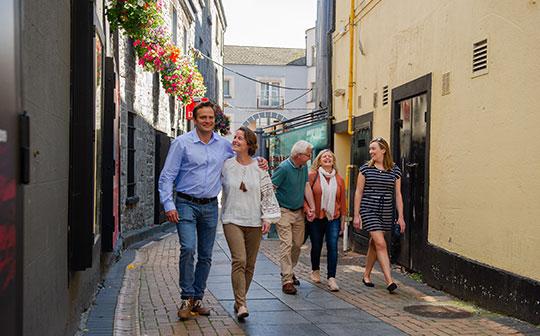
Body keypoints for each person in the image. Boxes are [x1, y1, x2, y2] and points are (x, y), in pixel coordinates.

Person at [158, 101, 266, 320]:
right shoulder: (181, 143)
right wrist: (168, 204)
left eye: (210, 117)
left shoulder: (223, 145)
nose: (207, 121)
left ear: (215, 120)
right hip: (185, 203)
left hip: (209, 207)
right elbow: (167, 176)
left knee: (206, 255)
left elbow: (242, 157)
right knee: (188, 249)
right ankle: (186, 297)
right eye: (202, 117)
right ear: (195, 119)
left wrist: (259, 161)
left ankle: (198, 299)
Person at [221, 127, 281, 320]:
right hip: (231, 219)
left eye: (240, 138)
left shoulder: (260, 167)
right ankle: (242, 304)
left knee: (250, 264)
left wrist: (267, 218)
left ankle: (239, 300)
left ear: (249, 144)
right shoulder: (226, 165)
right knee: (240, 260)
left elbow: (267, 193)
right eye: (235, 137)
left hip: (254, 220)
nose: (235, 140)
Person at [352, 137, 406, 293]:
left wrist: (400, 217)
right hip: (369, 209)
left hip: (386, 211)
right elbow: (358, 192)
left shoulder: (395, 170)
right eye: (370, 149)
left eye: (373, 148)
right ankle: (389, 280)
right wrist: (356, 215)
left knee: (374, 243)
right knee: (381, 244)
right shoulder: (365, 169)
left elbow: (398, 195)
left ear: (383, 150)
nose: (371, 152)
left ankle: (366, 275)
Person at [271, 140, 316, 295]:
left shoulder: (303, 167)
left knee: (297, 244)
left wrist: (312, 207)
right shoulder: (283, 168)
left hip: (298, 212)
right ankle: (287, 280)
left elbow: (306, 186)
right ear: (298, 155)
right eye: (308, 154)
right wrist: (271, 210)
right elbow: (272, 188)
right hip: (283, 211)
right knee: (286, 244)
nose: (310, 157)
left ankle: (288, 270)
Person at [305, 149, 346, 292]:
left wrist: (343, 220)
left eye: (330, 156)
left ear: (333, 161)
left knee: (333, 246)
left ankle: (331, 278)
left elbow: (342, 201)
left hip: (333, 217)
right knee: (316, 245)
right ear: (319, 160)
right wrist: (307, 209)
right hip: (316, 217)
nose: (327, 158)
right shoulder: (312, 176)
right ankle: (315, 269)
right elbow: (304, 195)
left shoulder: (339, 179)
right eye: (324, 156)